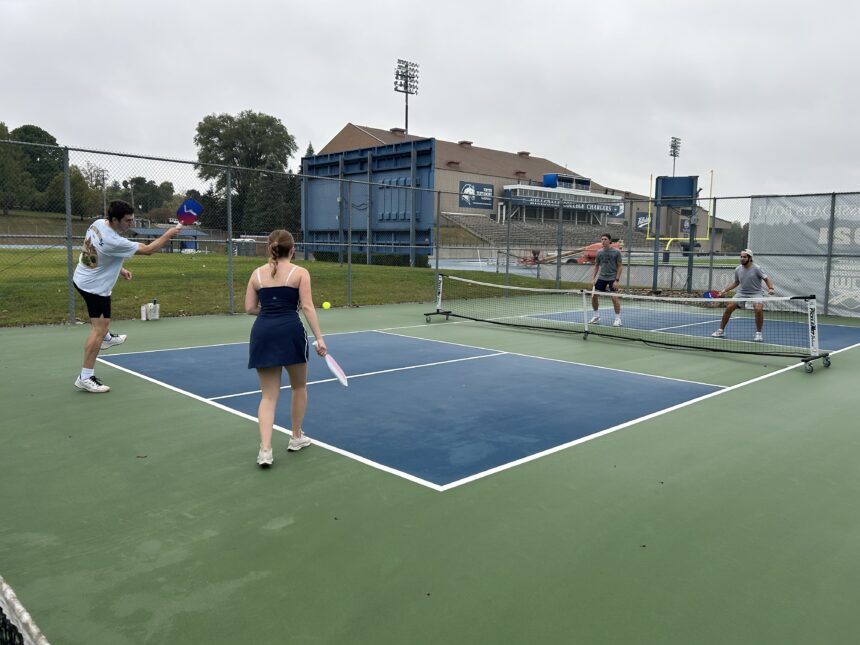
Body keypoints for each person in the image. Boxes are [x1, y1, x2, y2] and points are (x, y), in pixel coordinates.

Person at [73, 200, 183, 393]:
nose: (130, 223)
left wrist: (120, 268)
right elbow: (149, 250)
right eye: (127, 220)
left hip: (82, 278)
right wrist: (168, 234)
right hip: (94, 289)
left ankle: (106, 337)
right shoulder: (113, 240)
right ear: (115, 220)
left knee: (102, 326)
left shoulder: (98, 224)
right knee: (98, 329)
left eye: (132, 219)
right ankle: (85, 376)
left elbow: (93, 250)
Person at [245, 230, 327, 468]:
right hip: (291, 332)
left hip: (262, 333)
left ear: (270, 247)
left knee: (268, 396)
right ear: (292, 249)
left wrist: (270, 311)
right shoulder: (300, 272)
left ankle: (265, 451)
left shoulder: (256, 274)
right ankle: (296, 436)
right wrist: (320, 338)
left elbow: (250, 308)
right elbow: (308, 307)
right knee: (299, 386)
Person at [711, 248, 775, 342]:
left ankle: (758, 334)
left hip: (756, 293)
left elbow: (766, 279)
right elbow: (736, 282)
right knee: (729, 307)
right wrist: (724, 290)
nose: (741, 258)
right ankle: (721, 331)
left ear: (750, 258)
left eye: (744, 257)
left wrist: (771, 288)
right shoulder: (738, 269)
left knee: (758, 309)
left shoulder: (757, 268)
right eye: (741, 257)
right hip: (742, 293)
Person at [588, 233, 623, 327]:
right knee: (594, 296)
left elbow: (620, 267)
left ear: (610, 241)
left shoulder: (616, 252)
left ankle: (618, 319)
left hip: (612, 278)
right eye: (602, 239)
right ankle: (596, 316)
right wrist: (593, 279)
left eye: (605, 239)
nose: (603, 241)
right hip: (601, 278)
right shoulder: (599, 252)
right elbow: (596, 266)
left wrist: (617, 280)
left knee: (614, 298)